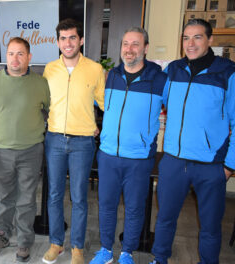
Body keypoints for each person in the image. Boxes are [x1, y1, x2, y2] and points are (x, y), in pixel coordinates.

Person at [150, 19, 235, 264]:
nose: (190, 43)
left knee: (210, 225)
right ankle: (160, 258)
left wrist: (229, 165)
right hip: (174, 161)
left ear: (210, 40)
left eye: (197, 37)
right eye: (186, 38)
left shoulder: (227, 72)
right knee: (165, 217)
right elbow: (155, 100)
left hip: (210, 165)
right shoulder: (173, 70)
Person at [88, 28, 166, 264]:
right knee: (106, 206)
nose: (129, 49)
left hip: (139, 158)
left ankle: (127, 252)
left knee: (134, 209)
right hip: (108, 155)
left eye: (135, 44)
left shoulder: (160, 80)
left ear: (145, 48)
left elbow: (181, 109)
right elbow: (84, 101)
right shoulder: (109, 76)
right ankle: (105, 250)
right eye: (125, 44)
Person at [0, 37, 50, 262]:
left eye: (20, 54)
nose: (14, 59)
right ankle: (2, 233)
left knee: (27, 199)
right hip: (0, 151)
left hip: (31, 151)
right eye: (10, 54)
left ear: (29, 57)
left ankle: (25, 241)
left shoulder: (40, 83)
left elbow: (48, 111)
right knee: (5, 197)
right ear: (5, 57)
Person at [41, 18, 105, 264]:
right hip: (55, 139)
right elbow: (44, 103)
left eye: (72, 38)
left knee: (79, 197)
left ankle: (77, 247)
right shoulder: (50, 69)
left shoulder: (95, 69)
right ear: (58, 42)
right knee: (54, 194)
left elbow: (104, 103)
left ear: (81, 40)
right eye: (63, 38)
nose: (67, 43)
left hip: (82, 143)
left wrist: (98, 127)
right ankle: (56, 243)